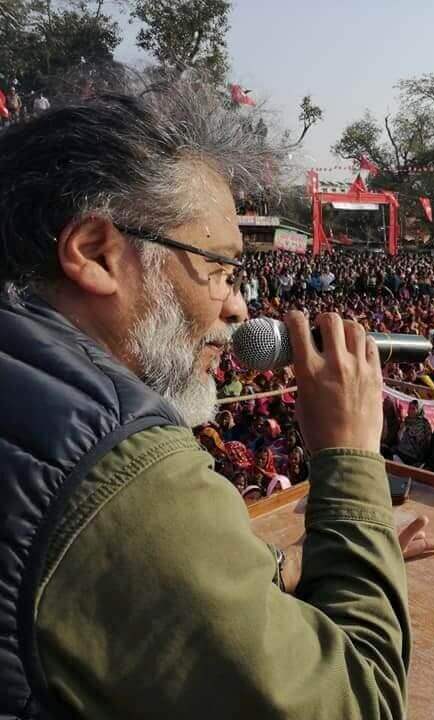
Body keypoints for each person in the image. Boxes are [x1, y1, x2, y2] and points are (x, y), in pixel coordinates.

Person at [0, 78, 410, 717]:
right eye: (218, 267)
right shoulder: (116, 465)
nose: (239, 305)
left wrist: (288, 565)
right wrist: (351, 459)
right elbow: (361, 703)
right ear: (96, 253)